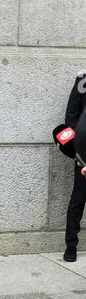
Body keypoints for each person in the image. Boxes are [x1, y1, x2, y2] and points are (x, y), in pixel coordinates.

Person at [63, 73, 86, 262]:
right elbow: (71, 117)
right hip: (85, 154)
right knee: (78, 198)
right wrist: (76, 152)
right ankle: (71, 245)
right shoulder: (83, 80)